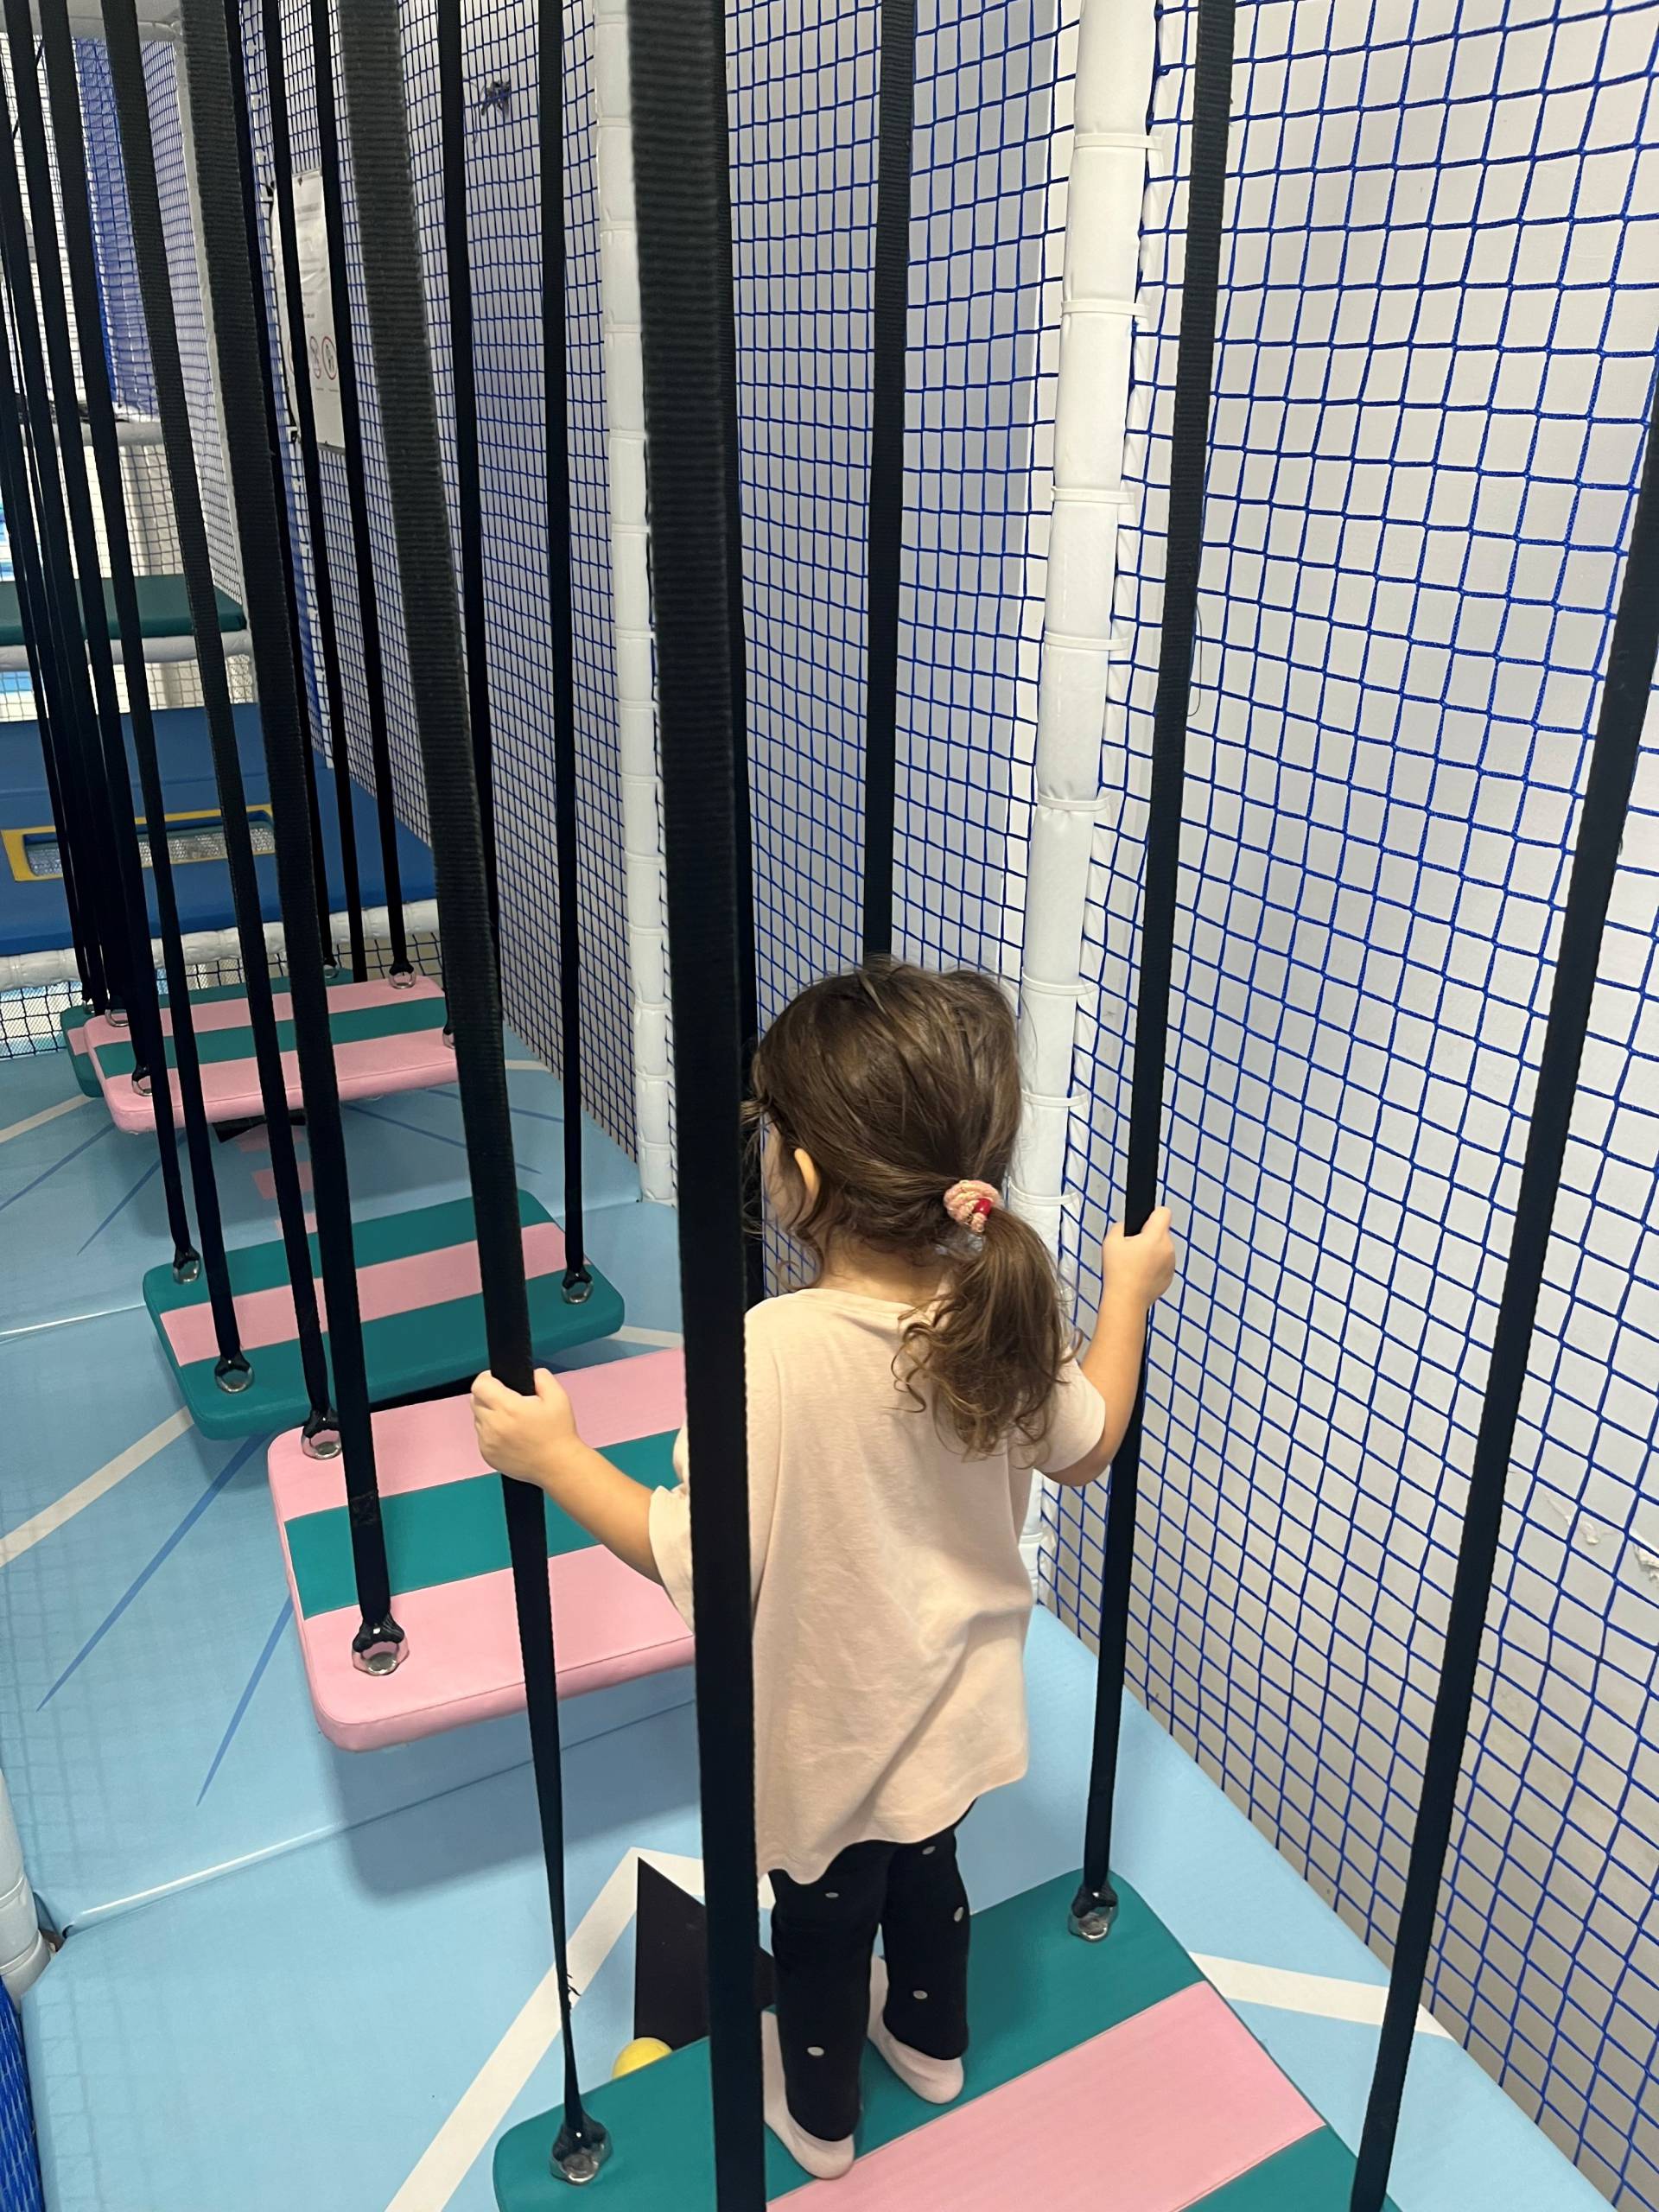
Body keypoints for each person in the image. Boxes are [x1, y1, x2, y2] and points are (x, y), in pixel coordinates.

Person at [474, 961, 1177, 2178]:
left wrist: (554, 1459)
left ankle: (820, 2122)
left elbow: (690, 1557)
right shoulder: (999, 1311)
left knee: (822, 1931)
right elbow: (1090, 1443)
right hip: (957, 1719)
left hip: (828, 1747)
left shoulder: (772, 1354)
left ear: (800, 1174)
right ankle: (933, 2046)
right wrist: (1130, 1294)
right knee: (929, 1883)